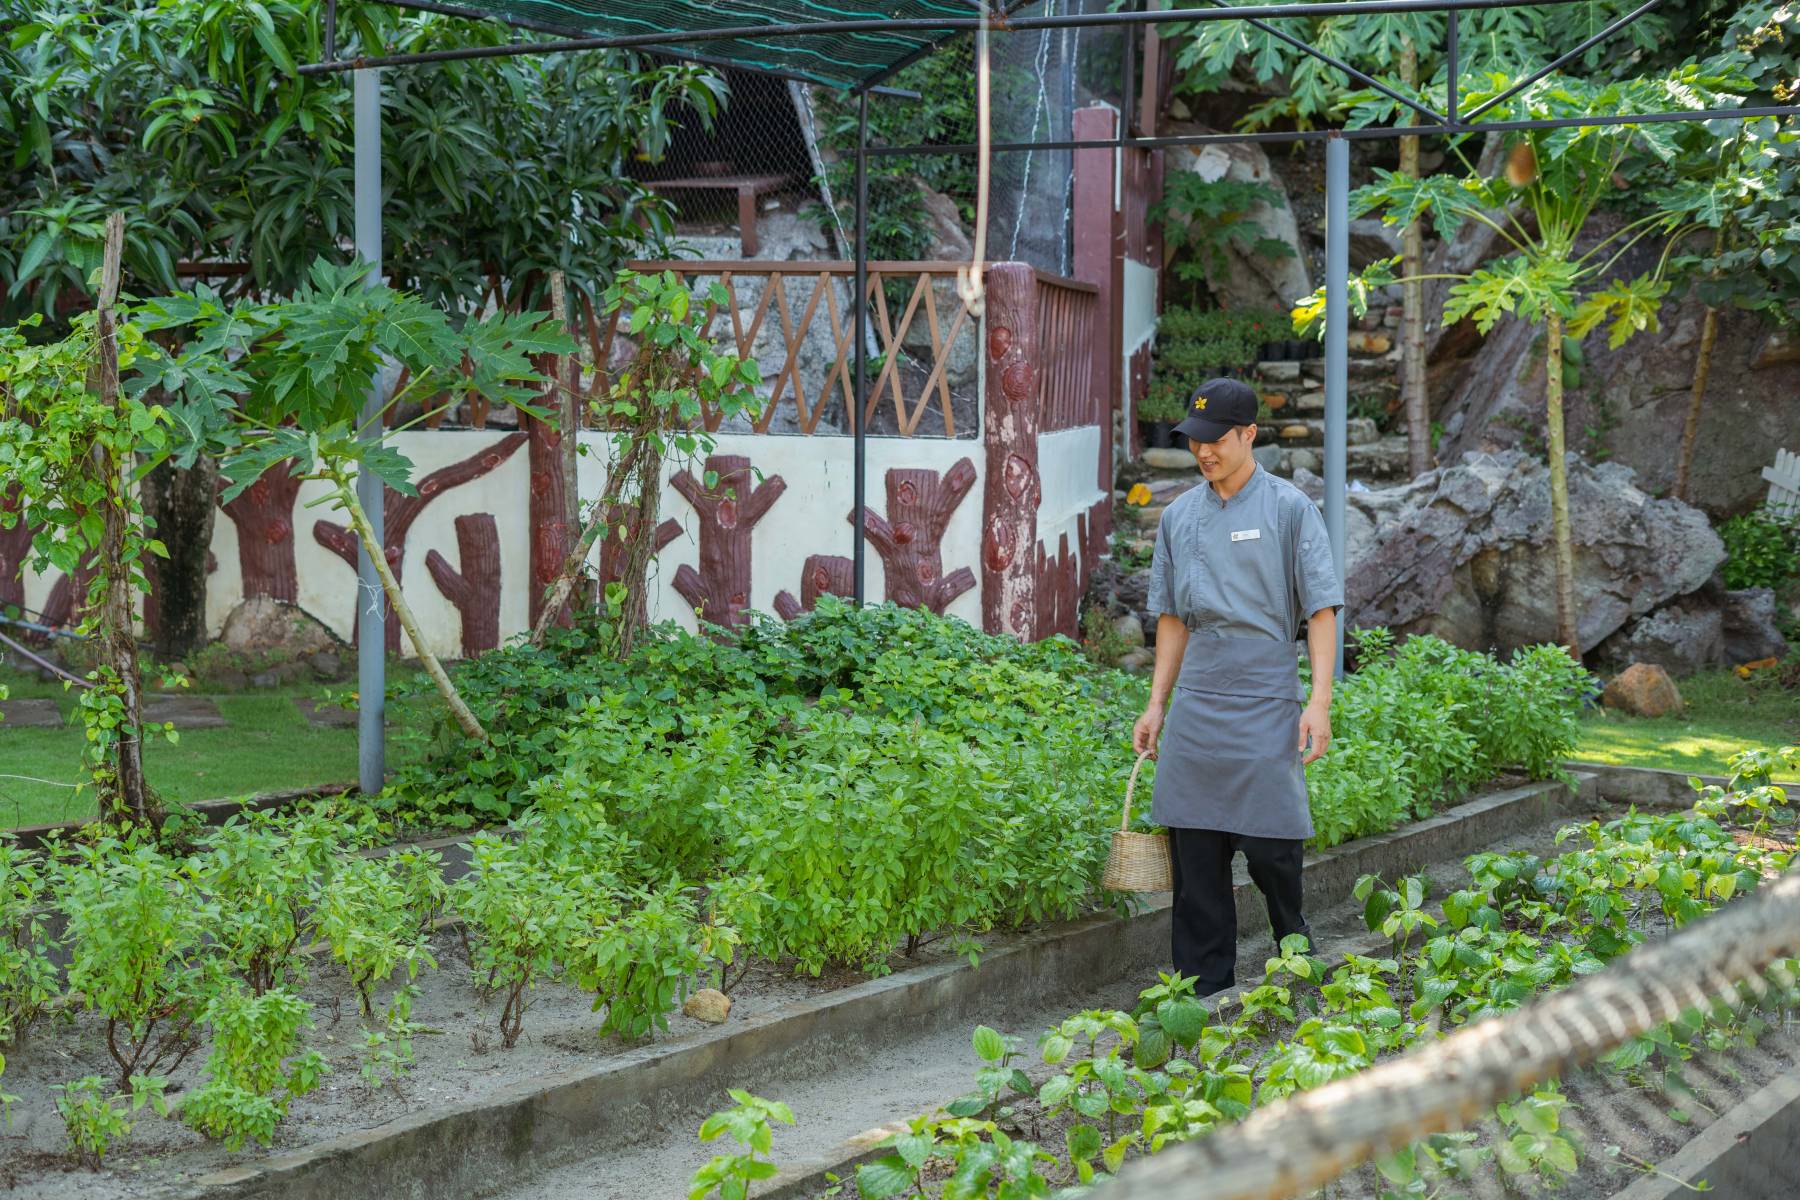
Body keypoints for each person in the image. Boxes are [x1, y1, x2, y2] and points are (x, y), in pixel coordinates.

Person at [1131, 377, 1344, 998]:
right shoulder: (1178, 516)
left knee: (1274, 847)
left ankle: (1295, 963)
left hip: (1266, 692)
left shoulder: (1288, 509)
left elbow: (1322, 610)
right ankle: (1203, 991)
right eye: (1195, 441)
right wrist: (1156, 704)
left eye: (1216, 440)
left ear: (1249, 435)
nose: (1204, 453)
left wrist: (1319, 701)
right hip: (1199, 698)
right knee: (1194, 851)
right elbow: (1172, 616)